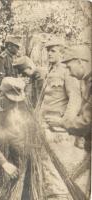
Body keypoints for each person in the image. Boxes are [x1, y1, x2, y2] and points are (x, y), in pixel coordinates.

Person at [39, 39, 82, 200]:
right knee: (47, 169)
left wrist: (65, 123)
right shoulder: (50, 71)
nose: (49, 53)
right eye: (48, 50)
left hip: (57, 129)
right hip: (44, 126)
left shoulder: (67, 72)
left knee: (57, 170)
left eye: (53, 50)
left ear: (62, 52)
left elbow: (75, 100)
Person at [46, 46, 91, 151]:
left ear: (80, 62)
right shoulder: (87, 81)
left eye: (70, 67)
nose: (69, 72)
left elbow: (86, 120)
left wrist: (63, 123)